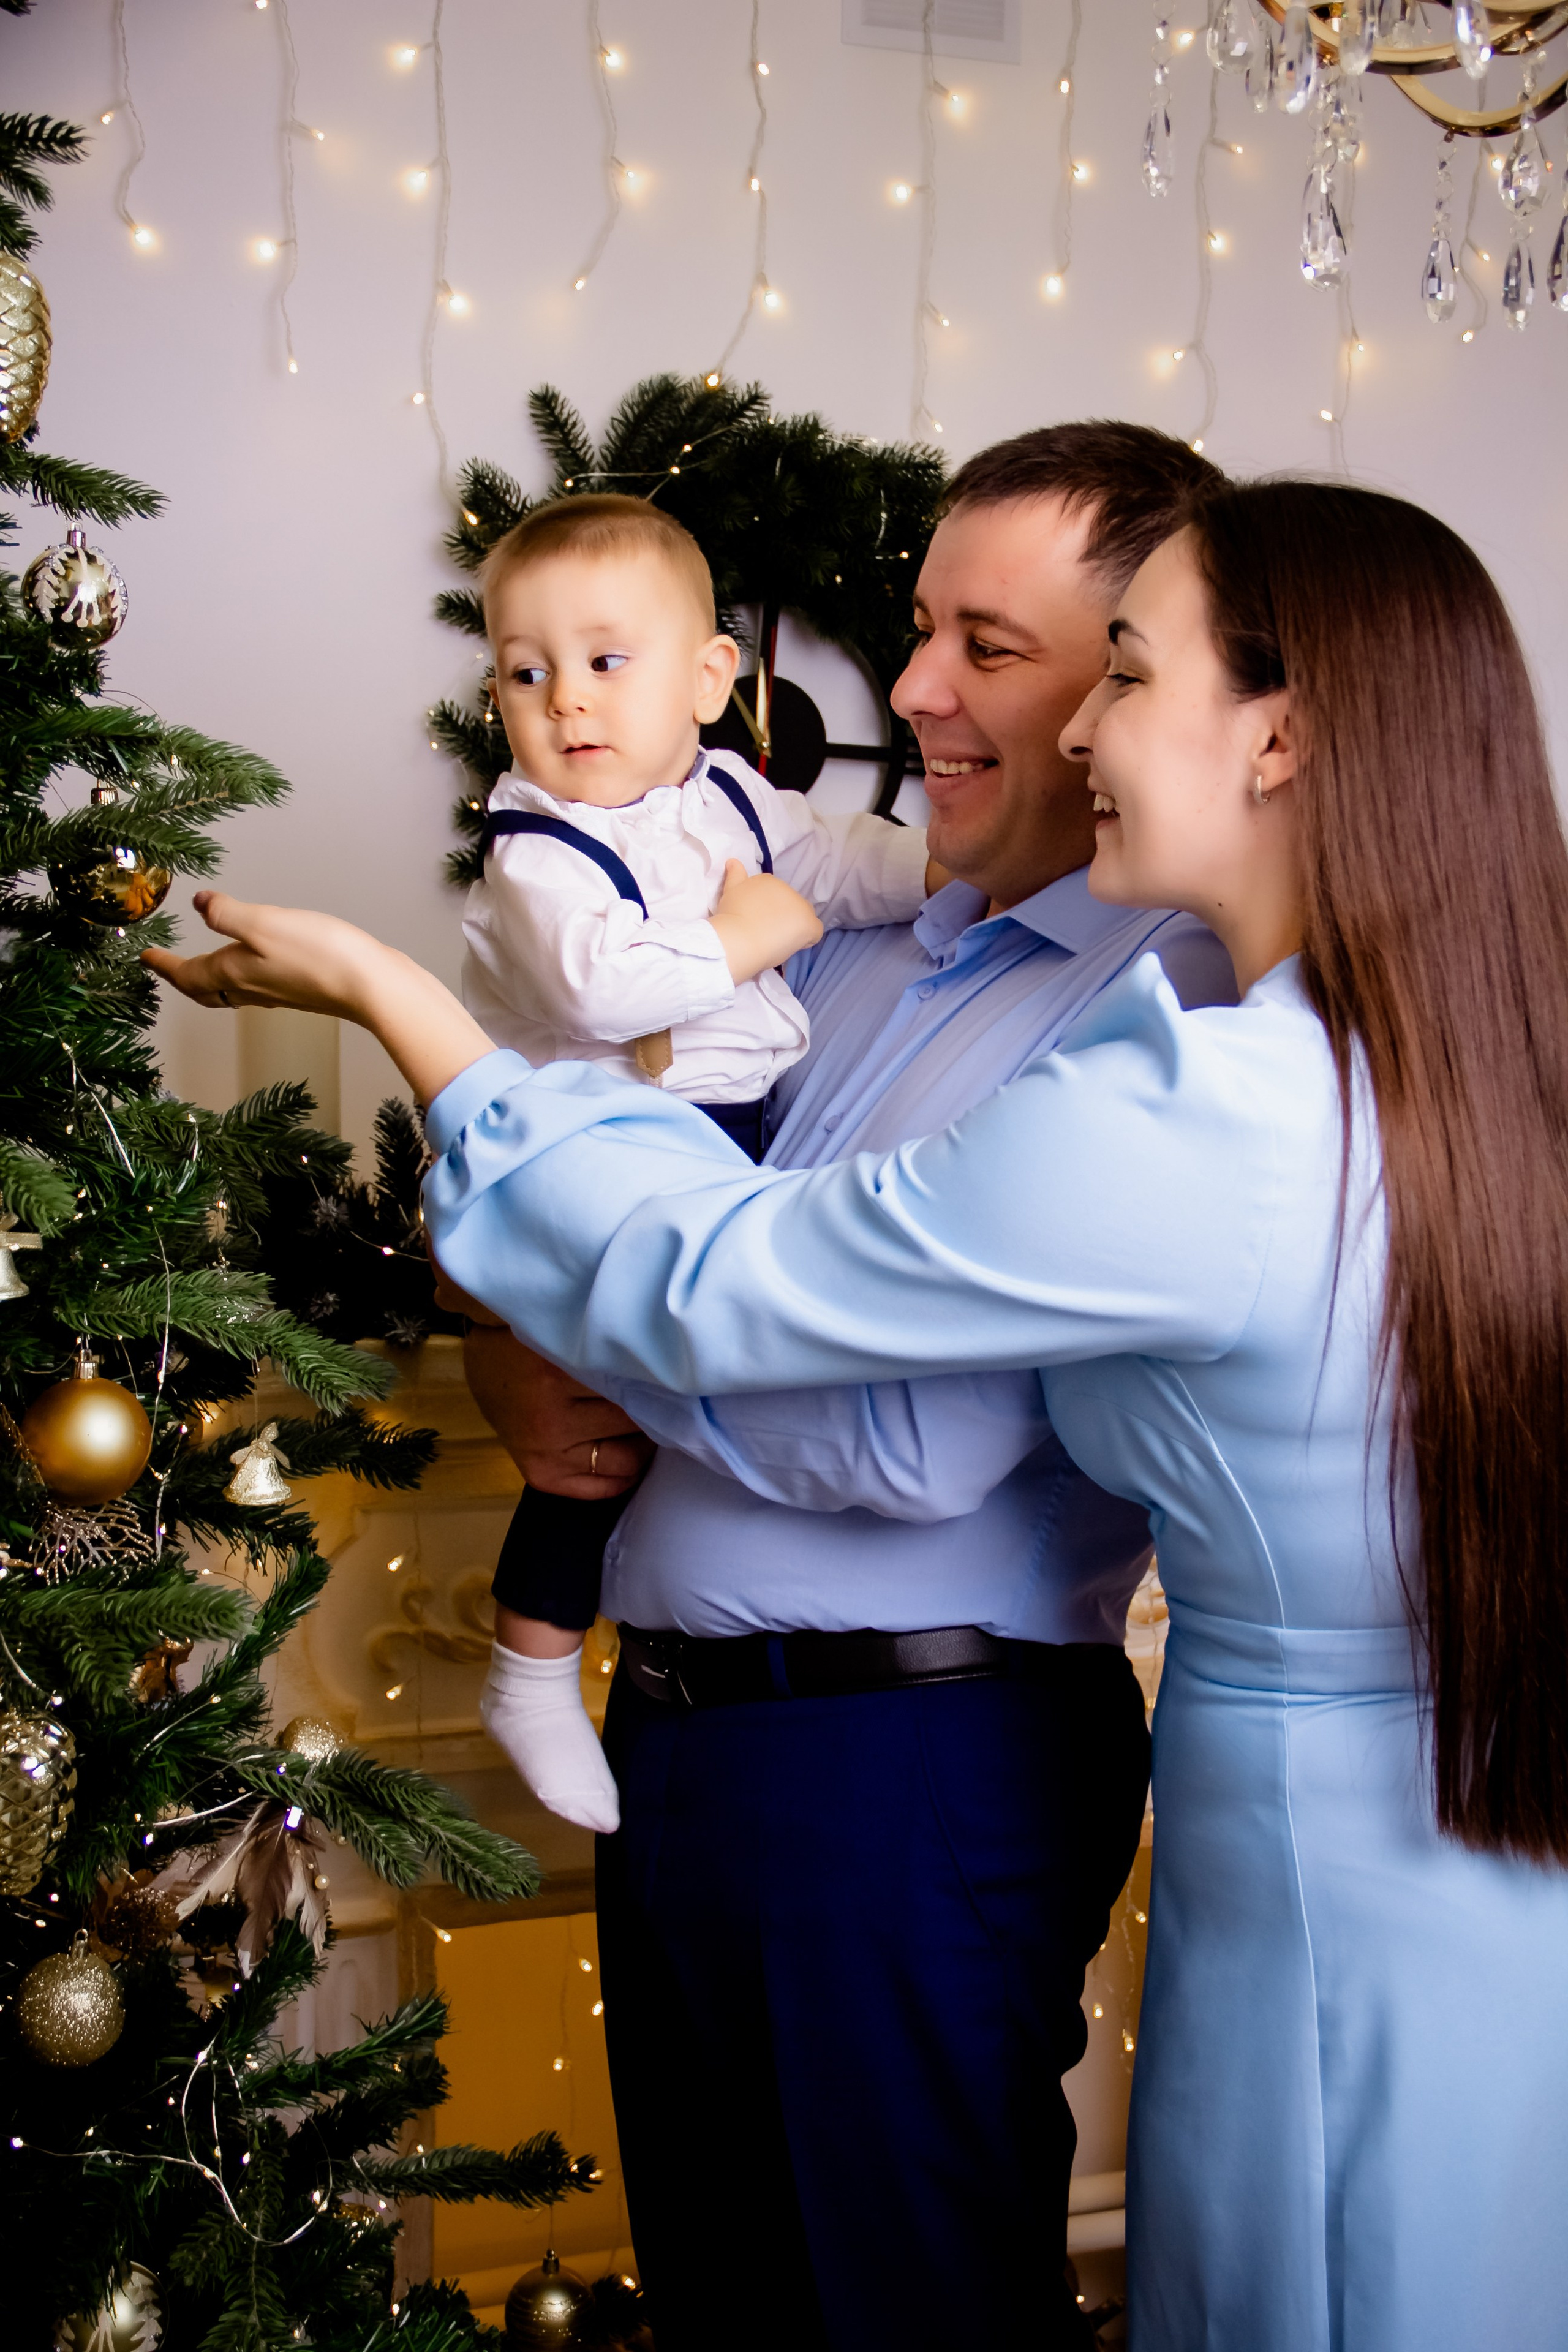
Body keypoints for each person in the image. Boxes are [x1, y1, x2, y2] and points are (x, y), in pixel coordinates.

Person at [148, 475, 1568, 2351]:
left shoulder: (1197, 1080)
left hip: (1180, 1814)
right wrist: (522, 1313)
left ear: (1284, 734)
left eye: (1101, 670)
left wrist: (391, 995)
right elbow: (676, 1263)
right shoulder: (1334, 1040)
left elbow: (816, 1362)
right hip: (1241, 1800)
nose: (1045, 721)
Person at [462, 492, 935, 1834]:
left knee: (674, 1406)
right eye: (524, 671)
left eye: (606, 662)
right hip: (592, 1155)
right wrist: (751, 937)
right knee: (585, 1432)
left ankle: (589, 1639)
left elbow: (838, 864)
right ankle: (531, 1666)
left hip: (720, 1140)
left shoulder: (727, 793)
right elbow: (601, 984)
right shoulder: (534, 846)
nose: (566, 704)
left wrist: (943, 872)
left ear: (711, 679)